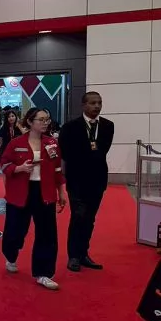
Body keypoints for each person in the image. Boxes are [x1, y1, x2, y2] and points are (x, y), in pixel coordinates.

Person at [0, 108, 67, 290]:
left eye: (47, 119)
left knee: (47, 233)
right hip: (20, 192)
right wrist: (19, 168)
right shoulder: (16, 143)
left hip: (44, 192)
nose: (45, 123)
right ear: (30, 122)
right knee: (15, 231)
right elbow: (4, 163)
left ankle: (44, 273)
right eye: (41, 120)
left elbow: (57, 170)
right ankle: (11, 255)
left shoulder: (52, 143)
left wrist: (61, 191)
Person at [58, 92, 114, 272]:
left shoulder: (108, 126)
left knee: (90, 219)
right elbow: (66, 152)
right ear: (83, 105)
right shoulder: (70, 127)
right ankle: (73, 255)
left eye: (99, 103)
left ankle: (83, 253)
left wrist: (89, 153)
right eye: (93, 103)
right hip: (77, 180)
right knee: (78, 216)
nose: (97, 106)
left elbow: (102, 150)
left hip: (97, 179)